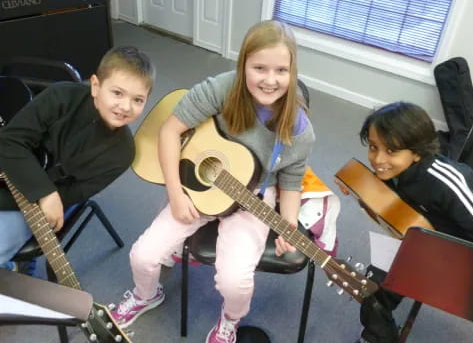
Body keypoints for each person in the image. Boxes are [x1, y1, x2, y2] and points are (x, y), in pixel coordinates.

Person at [111, 20, 315, 343]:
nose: (270, 80)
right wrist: (176, 195)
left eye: (281, 70)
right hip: (196, 189)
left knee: (234, 281)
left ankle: (230, 320)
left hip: (254, 198)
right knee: (142, 255)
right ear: (242, 63)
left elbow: (291, 182)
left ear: (293, 71)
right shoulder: (223, 88)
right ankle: (146, 294)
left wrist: (289, 222)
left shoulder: (299, 130)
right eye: (259, 68)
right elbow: (169, 131)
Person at [0, 46, 155, 271]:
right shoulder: (61, 96)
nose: (125, 107)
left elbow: (77, 193)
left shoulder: (123, 153)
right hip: (19, 174)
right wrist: (45, 191)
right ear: (95, 86)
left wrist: (45, 196)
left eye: (138, 100)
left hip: (33, 205)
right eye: (117, 93)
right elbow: (10, 141)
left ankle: (16, 271)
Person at [344, 101, 473, 343]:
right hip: (423, 243)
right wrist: (363, 195)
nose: (377, 159)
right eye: (374, 147)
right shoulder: (390, 174)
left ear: (417, 152)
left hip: (464, 257)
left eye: (391, 151)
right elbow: (395, 212)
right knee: (371, 292)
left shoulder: (446, 182)